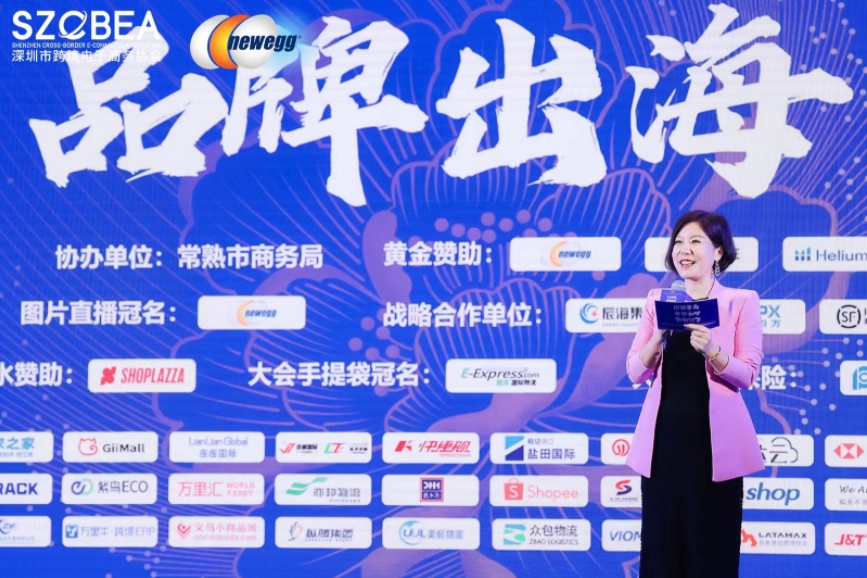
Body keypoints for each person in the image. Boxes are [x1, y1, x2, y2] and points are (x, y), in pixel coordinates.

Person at [625, 210, 765, 578]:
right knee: (661, 553)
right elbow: (635, 371)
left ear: (718, 251)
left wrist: (713, 351)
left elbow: (748, 374)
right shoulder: (658, 300)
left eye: (695, 242)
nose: (683, 250)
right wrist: (656, 338)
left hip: (716, 451)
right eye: (679, 242)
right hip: (663, 448)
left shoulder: (741, 301)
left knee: (711, 553)